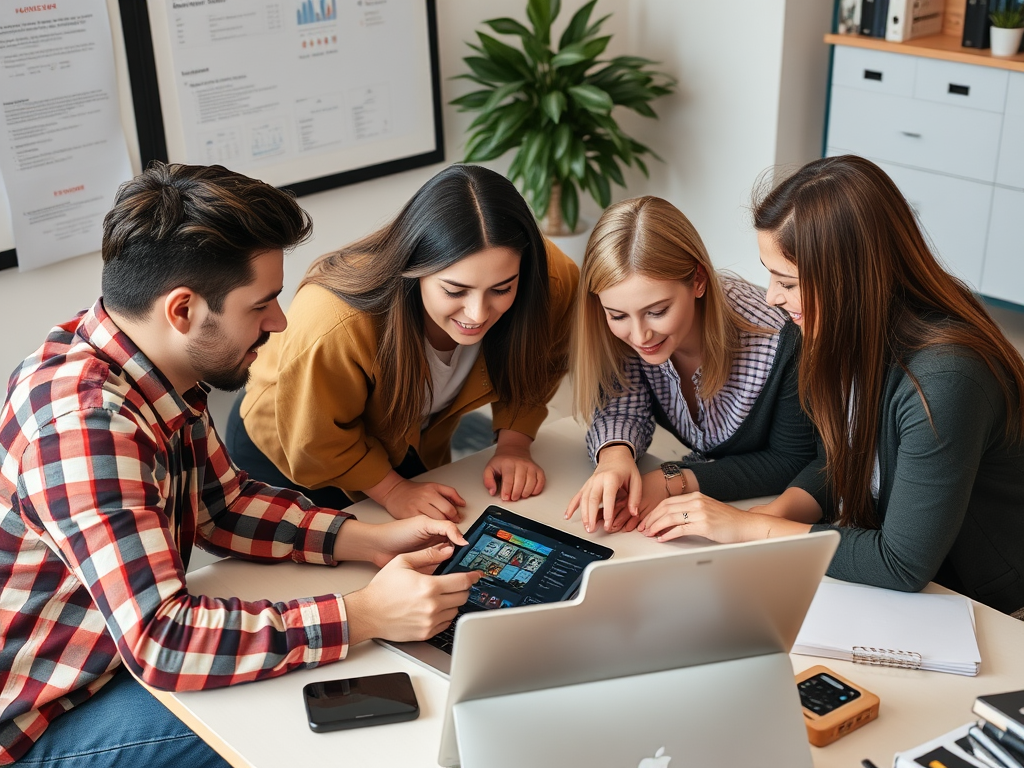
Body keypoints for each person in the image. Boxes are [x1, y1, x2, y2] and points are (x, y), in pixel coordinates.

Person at [0, 163, 481, 766]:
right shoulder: (85, 427)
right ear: (183, 310)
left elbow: (219, 507)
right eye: (263, 304)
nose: (279, 322)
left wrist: (369, 540)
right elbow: (162, 640)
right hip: (45, 718)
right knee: (314, 718)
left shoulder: (142, 359)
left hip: (107, 650)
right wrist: (362, 614)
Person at [638, 156, 1024, 615]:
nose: (771, 297)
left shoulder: (946, 379)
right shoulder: (843, 330)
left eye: (787, 282)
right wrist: (771, 516)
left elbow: (901, 563)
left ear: (850, 280)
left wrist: (748, 530)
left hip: (985, 606)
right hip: (911, 588)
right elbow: (834, 460)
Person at [227, 164, 578, 520]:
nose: (477, 314)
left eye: (501, 289)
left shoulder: (550, 279)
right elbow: (314, 443)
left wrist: (514, 444)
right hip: (296, 445)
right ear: (414, 267)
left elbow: (543, 362)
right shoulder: (333, 321)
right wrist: (392, 489)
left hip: (406, 442)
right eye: (455, 290)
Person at [565, 196, 816, 534]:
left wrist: (674, 479)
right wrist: (614, 458)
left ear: (698, 280)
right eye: (618, 315)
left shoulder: (783, 338)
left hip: (779, 507)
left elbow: (791, 459)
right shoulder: (620, 326)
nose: (639, 335)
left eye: (657, 311)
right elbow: (624, 405)